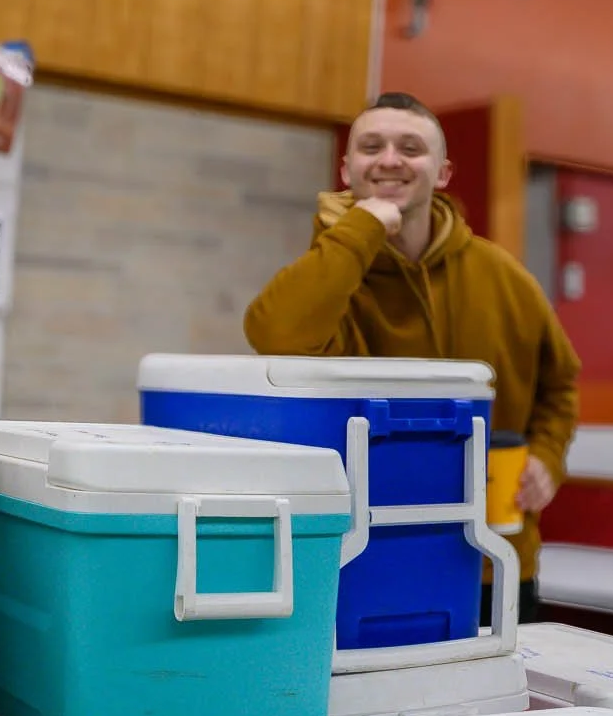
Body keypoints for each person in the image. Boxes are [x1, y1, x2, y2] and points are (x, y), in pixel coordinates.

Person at [244, 93, 580, 620]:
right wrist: (364, 227)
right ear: (346, 168)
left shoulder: (505, 276)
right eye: (371, 147)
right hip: (365, 557)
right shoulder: (328, 276)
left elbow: (560, 383)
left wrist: (547, 456)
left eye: (411, 148)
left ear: (443, 172)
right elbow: (274, 335)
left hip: (495, 561)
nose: (390, 160)